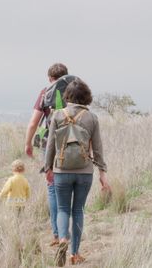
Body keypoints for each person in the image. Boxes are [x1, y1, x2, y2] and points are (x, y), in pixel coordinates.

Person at [45, 79, 110, 266]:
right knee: (78, 210)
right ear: (86, 96)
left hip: (61, 170)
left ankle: (63, 238)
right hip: (84, 172)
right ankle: (74, 254)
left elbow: (50, 146)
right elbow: (98, 148)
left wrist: (48, 168)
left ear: (67, 96)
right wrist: (102, 173)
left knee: (63, 209)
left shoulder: (57, 115)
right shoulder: (92, 118)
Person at [24, 63, 74, 246]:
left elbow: (33, 123)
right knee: (72, 187)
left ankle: (57, 234)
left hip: (50, 145)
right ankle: (70, 237)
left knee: (53, 188)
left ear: (50, 78)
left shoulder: (46, 92)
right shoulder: (75, 91)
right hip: (73, 143)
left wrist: (28, 143)